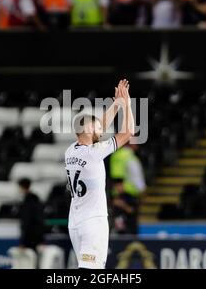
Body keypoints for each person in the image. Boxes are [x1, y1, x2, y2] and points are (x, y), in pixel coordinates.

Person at [65, 79, 134, 269]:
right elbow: (127, 132)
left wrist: (116, 104)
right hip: (92, 224)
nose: (101, 129)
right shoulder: (94, 153)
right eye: (95, 127)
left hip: (76, 224)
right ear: (87, 130)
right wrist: (126, 104)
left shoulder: (71, 150)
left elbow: (98, 127)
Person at [18, 178, 45, 250]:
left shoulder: (28, 202)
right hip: (37, 235)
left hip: (30, 236)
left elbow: (27, 221)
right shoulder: (35, 199)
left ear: (22, 187)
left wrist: (23, 242)